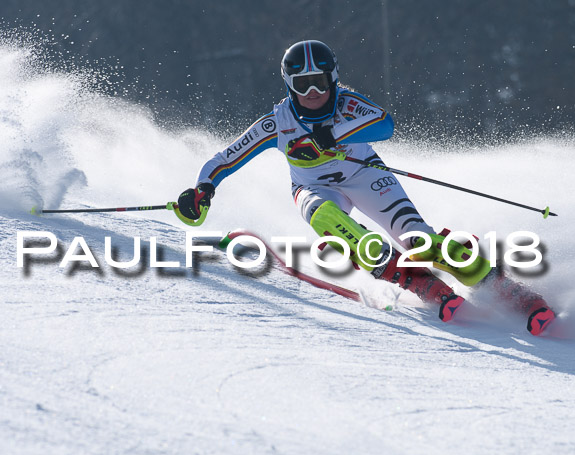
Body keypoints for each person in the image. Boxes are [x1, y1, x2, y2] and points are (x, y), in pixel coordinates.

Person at [178, 40, 555, 335]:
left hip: (366, 176)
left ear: (334, 79)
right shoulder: (278, 121)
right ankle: (417, 283)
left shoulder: (349, 103)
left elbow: (385, 124)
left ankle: (501, 287)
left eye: (319, 82)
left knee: (419, 242)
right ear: (288, 85)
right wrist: (202, 190)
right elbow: (225, 158)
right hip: (315, 188)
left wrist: (332, 133)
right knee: (327, 217)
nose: (312, 92)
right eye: (301, 84)